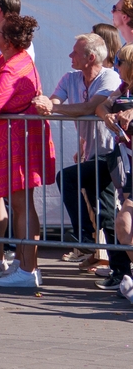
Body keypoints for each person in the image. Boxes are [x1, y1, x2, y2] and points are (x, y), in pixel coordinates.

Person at [0, 14, 54, 289]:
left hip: (18, 142)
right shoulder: (12, 60)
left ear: (9, 41)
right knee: (21, 205)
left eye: (0, 33)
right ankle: (26, 265)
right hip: (16, 140)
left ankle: (28, 270)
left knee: (21, 205)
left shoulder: (12, 69)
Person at [34, 33, 118, 273]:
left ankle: (86, 239)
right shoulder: (70, 77)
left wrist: (53, 108)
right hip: (93, 154)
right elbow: (54, 101)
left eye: (75, 52)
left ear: (90, 58)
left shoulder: (109, 77)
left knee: (69, 178)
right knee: (104, 210)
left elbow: (91, 107)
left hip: (112, 154)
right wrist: (45, 103)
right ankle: (115, 265)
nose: (70, 55)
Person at [94, 44, 133, 295]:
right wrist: (106, 115)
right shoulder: (124, 88)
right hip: (129, 167)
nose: (115, 66)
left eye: (120, 62)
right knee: (124, 224)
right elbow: (101, 105)